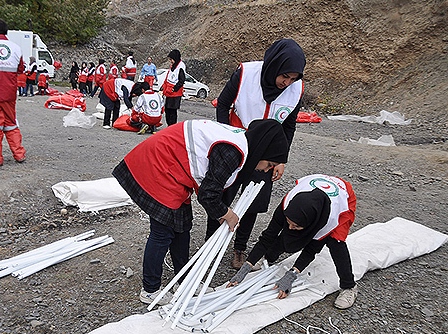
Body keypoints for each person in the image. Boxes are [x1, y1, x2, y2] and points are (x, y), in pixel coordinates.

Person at [112, 119, 289, 305]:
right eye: (269, 164)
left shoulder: (241, 143)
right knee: (162, 232)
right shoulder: (232, 151)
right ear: (261, 150)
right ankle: (150, 290)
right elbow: (208, 195)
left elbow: (212, 188)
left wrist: (221, 212)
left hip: (175, 170)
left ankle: (184, 282)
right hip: (159, 164)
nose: (266, 170)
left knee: (182, 226)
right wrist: (227, 214)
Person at [210, 38, 306, 269]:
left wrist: (281, 159)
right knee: (222, 197)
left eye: (293, 78)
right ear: (274, 65)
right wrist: (228, 138)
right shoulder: (246, 73)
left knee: (252, 201)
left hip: (266, 155)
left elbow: (289, 126)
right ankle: (210, 245)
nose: (287, 82)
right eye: (285, 76)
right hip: (238, 145)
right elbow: (222, 105)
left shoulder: (295, 89)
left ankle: (239, 249)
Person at [227, 174, 358, 309]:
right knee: (288, 234)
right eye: (289, 222)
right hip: (316, 191)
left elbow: (310, 250)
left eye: (296, 225)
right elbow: (268, 237)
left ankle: (349, 286)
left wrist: (292, 275)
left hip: (343, 199)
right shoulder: (287, 205)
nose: (290, 227)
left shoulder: (329, 221)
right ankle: (267, 257)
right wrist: (245, 268)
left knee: (336, 243)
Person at [0, 18, 27, 166]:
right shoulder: (16, 48)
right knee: (11, 124)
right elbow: (20, 69)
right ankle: (19, 154)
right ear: (7, 32)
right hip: (9, 93)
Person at [161, 49, 186, 126]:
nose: (170, 61)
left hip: (175, 93)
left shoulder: (181, 67)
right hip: (169, 92)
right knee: (167, 110)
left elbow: (182, 80)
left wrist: (174, 88)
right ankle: (169, 125)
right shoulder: (172, 66)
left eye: (171, 59)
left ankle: (172, 126)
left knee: (172, 111)